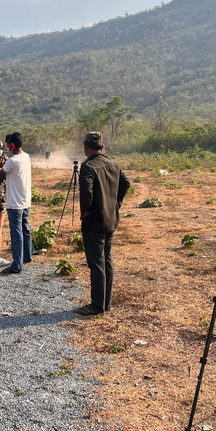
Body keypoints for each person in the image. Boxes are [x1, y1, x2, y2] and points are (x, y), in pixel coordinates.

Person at [75, 132, 130, 316]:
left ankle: (97, 305)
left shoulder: (88, 166)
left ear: (85, 146)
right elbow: (126, 183)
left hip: (94, 222)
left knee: (97, 263)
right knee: (106, 260)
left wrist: (86, 211)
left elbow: (86, 193)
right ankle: (105, 303)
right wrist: (116, 204)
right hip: (111, 219)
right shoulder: (113, 164)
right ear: (102, 147)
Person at [0, 132, 32, 274]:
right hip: (25, 200)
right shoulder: (26, 157)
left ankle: (17, 265)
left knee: (16, 234)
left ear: (11, 145)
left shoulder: (12, 161)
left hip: (14, 203)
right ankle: (27, 256)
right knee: (25, 229)